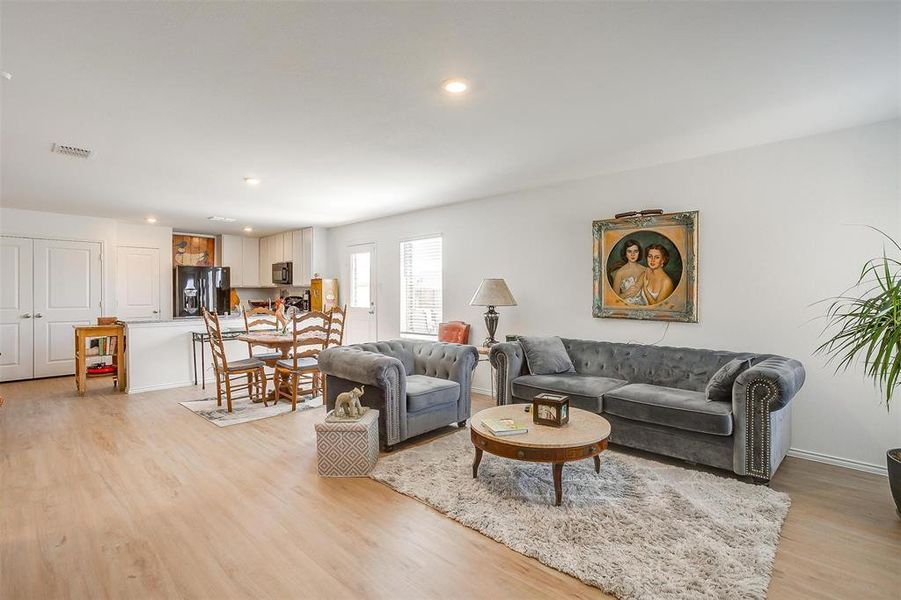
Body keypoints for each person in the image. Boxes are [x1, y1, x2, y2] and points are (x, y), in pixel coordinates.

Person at [610, 239, 647, 305]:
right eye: (629, 251)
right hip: (627, 306)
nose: (633, 254)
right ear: (625, 254)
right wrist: (626, 293)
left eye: (635, 251)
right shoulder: (620, 273)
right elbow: (614, 299)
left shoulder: (645, 269)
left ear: (639, 253)